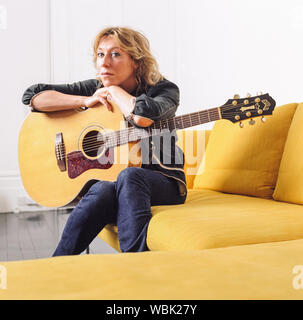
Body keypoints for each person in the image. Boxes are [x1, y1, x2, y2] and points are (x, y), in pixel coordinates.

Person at [22, 26, 187, 255]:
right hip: (119, 182)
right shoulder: (94, 89)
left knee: (129, 175)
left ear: (136, 61)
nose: (104, 62)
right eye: (101, 54)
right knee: (101, 189)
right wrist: (86, 100)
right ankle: (55, 265)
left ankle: (136, 265)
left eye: (116, 54)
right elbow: (34, 96)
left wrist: (113, 90)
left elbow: (143, 116)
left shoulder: (164, 90)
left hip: (165, 181)